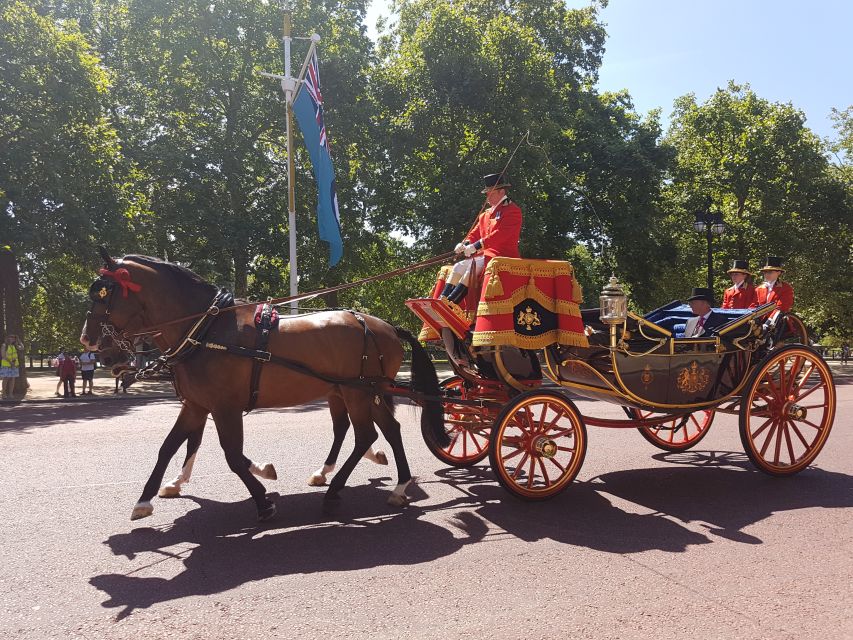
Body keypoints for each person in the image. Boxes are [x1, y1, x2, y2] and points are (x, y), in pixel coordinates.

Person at [439, 173, 522, 304]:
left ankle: (451, 303)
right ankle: (441, 300)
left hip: (502, 256)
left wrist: (476, 246)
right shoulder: (486, 214)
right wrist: (464, 244)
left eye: (491, 193)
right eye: (487, 193)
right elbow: (475, 233)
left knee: (471, 269)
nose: (487, 197)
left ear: (501, 192)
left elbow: (500, 235)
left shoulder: (512, 210)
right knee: (458, 267)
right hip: (484, 256)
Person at [1, 333, 23, 400]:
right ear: (7, 338)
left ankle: (10, 394)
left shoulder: (14, 346)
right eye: (11, 337)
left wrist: (19, 341)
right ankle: (3, 393)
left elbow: (22, 348)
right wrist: (10, 362)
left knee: (12, 379)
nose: (12, 338)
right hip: (6, 365)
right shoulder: (4, 345)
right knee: (6, 379)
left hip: (14, 365)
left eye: (14, 337)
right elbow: (3, 355)